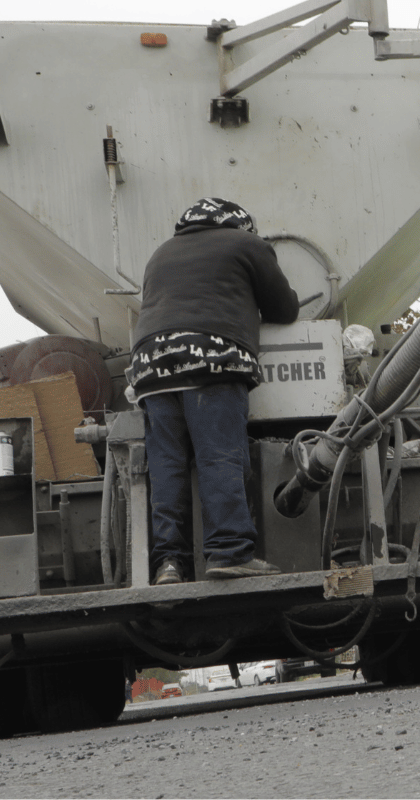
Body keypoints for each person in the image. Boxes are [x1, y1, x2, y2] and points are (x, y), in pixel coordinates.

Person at [127, 198, 299, 586]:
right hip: (210, 358)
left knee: (168, 465)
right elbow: (285, 308)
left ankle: (169, 563)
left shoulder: (161, 253)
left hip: (150, 367)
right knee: (219, 453)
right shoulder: (246, 244)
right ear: (240, 224)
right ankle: (229, 551)